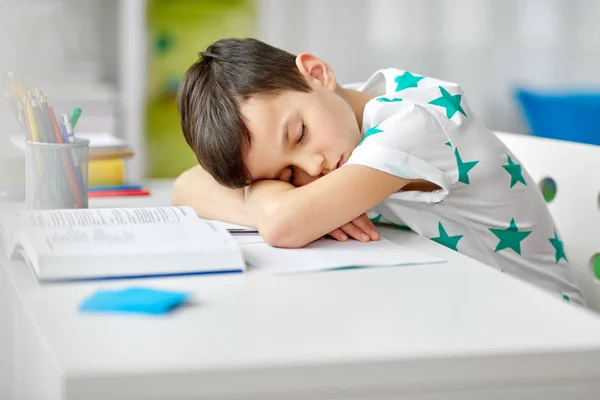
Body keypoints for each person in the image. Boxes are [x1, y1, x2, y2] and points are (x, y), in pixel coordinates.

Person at [173, 37, 583, 304]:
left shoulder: (412, 124)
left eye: (298, 135)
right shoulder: (341, 112)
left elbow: (283, 226)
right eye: (283, 175)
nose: (312, 168)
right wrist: (272, 196)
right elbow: (185, 186)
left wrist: (270, 198)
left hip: (545, 330)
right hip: (463, 306)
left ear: (317, 73)